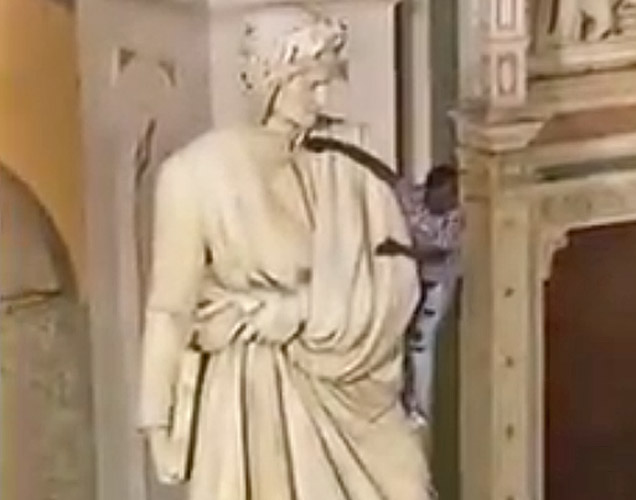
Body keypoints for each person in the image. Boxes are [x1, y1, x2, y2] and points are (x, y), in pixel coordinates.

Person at [138, 7, 430, 500]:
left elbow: (396, 281)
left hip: (351, 389)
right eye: (311, 85)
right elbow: (169, 308)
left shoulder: (351, 158)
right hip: (253, 400)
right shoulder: (197, 174)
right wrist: (156, 422)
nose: (324, 99)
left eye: (327, 83)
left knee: (409, 484)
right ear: (272, 78)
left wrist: (296, 311)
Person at [396, 165, 463, 426]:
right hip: (413, 280)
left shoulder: (456, 219)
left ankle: (421, 408)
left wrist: (400, 250)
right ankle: (406, 394)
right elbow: (384, 174)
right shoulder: (415, 199)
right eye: (433, 195)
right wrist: (338, 147)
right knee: (405, 335)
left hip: (437, 285)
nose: (436, 202)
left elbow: (438, 255)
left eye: (444, 197)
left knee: (421, 341)